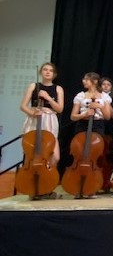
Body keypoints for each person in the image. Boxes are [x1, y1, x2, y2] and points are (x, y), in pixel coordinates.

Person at [20, 62, 64, 200]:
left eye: (51, 70)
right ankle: (32, 190)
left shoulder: (58, 89)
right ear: (41, 72)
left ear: (54, 74)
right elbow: (23, 106)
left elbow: (60, 109)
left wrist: (47, 97)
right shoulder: (33, 86)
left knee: (54, 156)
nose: (47, 72)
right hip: (35, 119)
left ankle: (47, 188)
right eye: (45, 70)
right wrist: (32, 113)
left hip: (50, 120)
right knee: (32, 155)